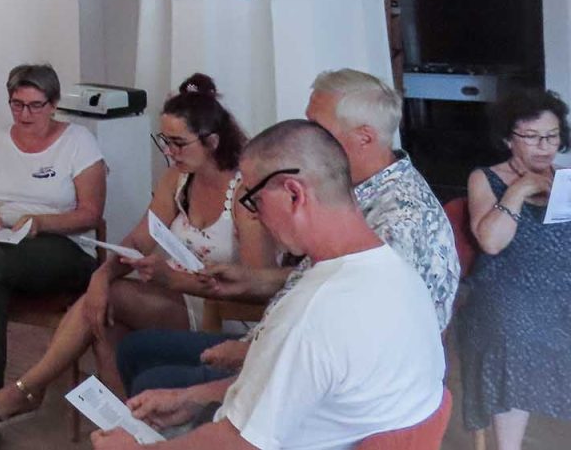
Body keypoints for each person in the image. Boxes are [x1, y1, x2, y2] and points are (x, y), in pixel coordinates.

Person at [93, 120, 446, 450]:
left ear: (294, 193)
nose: (253, 215)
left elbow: (240, 443)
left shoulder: (313, 313)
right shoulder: (396, 273)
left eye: (254, 200)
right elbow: (290, 384)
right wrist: (193, 397)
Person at [117, 69, 459, 403]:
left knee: (154, 381)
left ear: (365, 138)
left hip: (320, 381)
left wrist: (244, 359)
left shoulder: (401, 221)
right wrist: (254, 281)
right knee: (137, 350)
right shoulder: (355, 189)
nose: (305, 137)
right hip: (280, 348)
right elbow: (326, 278)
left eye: (318, 128)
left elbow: (346, 339)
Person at [0, 74, 273, 440]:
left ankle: (28, 389)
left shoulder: (242, 194)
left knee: (109, 299)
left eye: (178, 143)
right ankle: (129, 429)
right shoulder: (178, 179)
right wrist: (102, 275)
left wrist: (175, 280)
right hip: (176, 295)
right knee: (102, 318)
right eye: (165, 142)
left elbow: (255, 289)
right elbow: (139, 238)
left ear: (212, 141)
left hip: (222, 311)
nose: (169, 153)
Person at [0, 64, 108, 450]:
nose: (25, 114)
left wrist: (42, 223)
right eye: (17, 105)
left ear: (54, 104)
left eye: (35, 105)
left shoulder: (78, 142)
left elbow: (91, 213)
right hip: (1, 246)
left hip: (63, 249)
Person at [456, 88, 571, 449]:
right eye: (532, 136)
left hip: (561, 290)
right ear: (508, 138)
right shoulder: (485, 178)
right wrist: (519, 190)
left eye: (552, 136)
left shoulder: (566, 180)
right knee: (514, 333)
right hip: (506, 292)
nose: (544, 146)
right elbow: (491, 242)